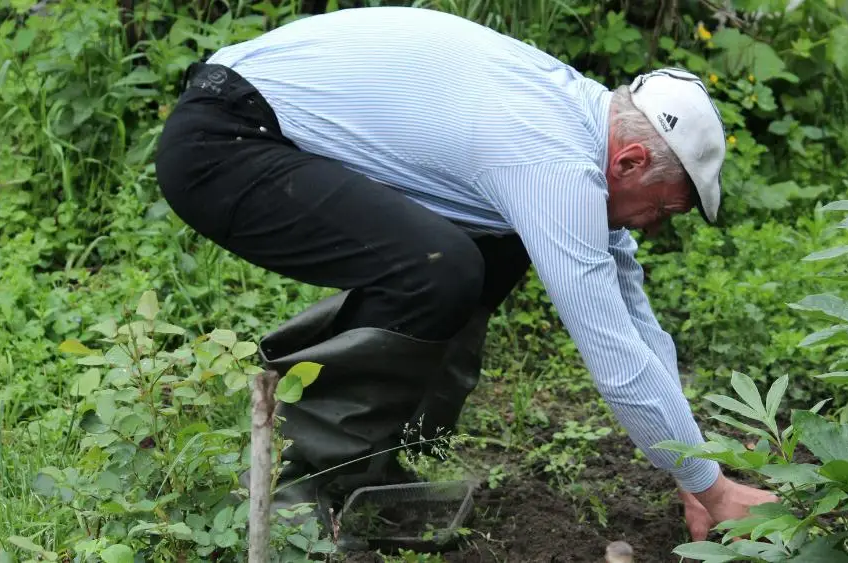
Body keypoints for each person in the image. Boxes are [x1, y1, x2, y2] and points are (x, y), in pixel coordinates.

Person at [154, 5, 777, 545]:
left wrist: (693, 472)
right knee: (439, 270)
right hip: (225, 144)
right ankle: (300, 492)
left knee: (494, 251)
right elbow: (612, 351)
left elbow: (638, 324)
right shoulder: (551, 157)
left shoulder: (583, 127)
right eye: (663, 207)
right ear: (632, 160)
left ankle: (378, 471)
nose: (654, 227)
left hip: (256, 120)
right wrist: (717, 491)